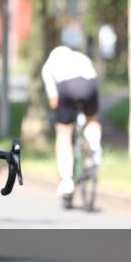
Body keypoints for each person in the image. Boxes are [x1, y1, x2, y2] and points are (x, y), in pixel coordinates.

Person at [41, 42, 102, 199]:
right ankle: (95, 148)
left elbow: (54, 100)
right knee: (92, 120)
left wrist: (61, 116)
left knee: (64, 132)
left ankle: (66, 180)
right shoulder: (81, 57)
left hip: (67, 86)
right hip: (89, 84)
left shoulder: (48, 67)